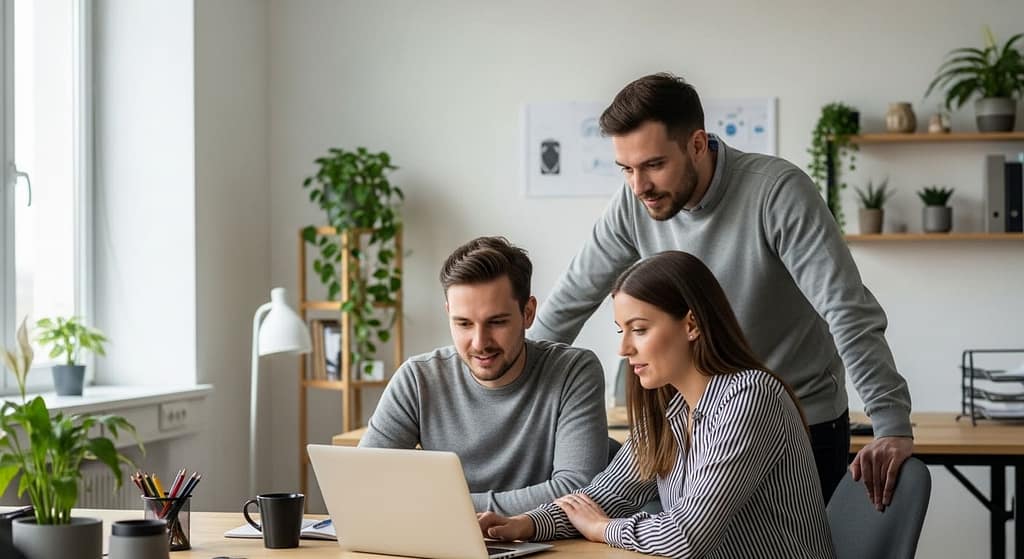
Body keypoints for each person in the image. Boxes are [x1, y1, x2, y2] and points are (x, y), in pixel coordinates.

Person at [530, 72, 912, 508]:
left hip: (797, 424)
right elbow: (566, 305)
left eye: (654, 165)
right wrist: (507, 393)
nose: (639, 186)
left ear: (697, 143)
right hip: (697, 424)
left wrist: (891, 424)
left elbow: (846, 309)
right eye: (627, 169)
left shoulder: (776, 192)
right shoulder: (633, 203)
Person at [480, 251, 835, 558]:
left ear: (692, 324)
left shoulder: (751, 397)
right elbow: (601, 497)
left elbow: (687, 536)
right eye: (622, 330)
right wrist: (524, 524)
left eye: (640, 329)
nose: (624, 349)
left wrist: (604, 529)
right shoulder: (671, 411)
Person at [360, 236, 608, 515]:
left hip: (546, 545)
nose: (479, 342)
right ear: (448, 314)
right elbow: (365, 483)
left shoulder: (573, 372)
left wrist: (445, 507)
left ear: (528, 313)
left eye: (497, 322)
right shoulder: (418, 379)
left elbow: (578, 490)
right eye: (463, 323)